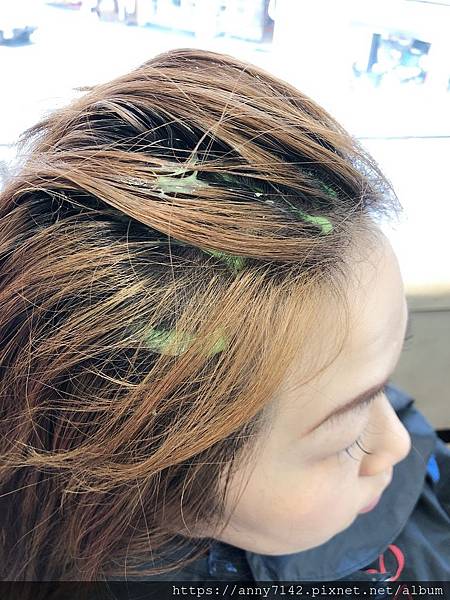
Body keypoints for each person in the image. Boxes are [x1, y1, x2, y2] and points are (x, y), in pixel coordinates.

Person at [0, 48, 449, 588]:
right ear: (149, 477)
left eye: (382, 385)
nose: (398, 443)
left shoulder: (343, 412)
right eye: (348, 438)